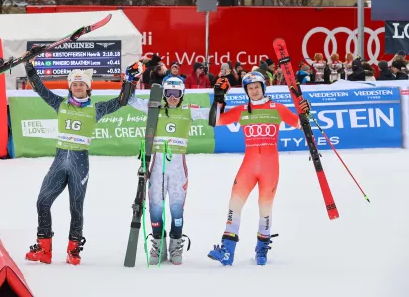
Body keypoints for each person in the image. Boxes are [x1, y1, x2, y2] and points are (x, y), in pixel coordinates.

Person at [23, 53, 131, 266]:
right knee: (42, 202)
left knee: (76, 207)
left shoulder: (96, 108)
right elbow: (41, 90)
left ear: (88, 88)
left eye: (82, 84)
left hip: (79, 162)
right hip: (60, 160)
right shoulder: (60, 103)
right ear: (70, 86)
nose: (78, 87)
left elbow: (122, 101)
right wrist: (29, 68)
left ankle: (73, 250)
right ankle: (44, 249)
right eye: (75, 84)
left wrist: (129, 80)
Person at [207, 71, 310, 266]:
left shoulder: (276, 108)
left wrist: (305, 111)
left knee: (265, 209)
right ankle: (227, 251)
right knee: (234, 205)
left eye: (257, 87)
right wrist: (219, 100)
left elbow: (301, 125)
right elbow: (215, 121)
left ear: (263, 88)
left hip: (270, 167)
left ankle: (261, 250)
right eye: (250, 88)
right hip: (249, 165)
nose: (254, 91)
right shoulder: (242, 110)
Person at [128, 77, 210, 265]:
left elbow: (214, 114)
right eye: (169, 93)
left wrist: (221, 97)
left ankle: (175, 244)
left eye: (176, 93)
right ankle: (158, 244)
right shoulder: (154, 107)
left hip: (178, 168)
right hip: (157, 167)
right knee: (155, 207)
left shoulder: (189, 110)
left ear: (182, 95)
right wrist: (130, 80)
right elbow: (130, 100)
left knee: (177, 209)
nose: (172, 97)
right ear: (164, 94)